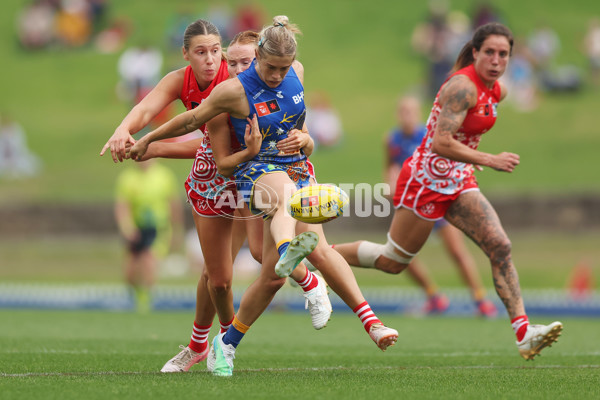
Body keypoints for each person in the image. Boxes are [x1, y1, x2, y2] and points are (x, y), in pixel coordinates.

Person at [128, 15, 399, 377]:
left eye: (282, 68)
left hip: (298, 166)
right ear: (258, 59)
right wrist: (147, 140)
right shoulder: (232, 91)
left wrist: (308, 140)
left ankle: (369, 324)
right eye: (270, 68)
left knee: (283, 269)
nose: (276, 75)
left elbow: (303, 128)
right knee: (273, 225)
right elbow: (193, 124)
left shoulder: (295, 71)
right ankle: (290, 255)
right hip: (259, 170)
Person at [101, 23, 331, 373]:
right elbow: (155, 115)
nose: (211, 60)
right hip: (214, 180)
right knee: (218, 278)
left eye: (215, 51)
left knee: (260, 253)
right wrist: (125, 130)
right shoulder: (181, 81)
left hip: (252, 174)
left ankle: (235, 336)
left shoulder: (241, 77)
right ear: (186, 54)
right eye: (200, 52)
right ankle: (207, 344)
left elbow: (288, 119)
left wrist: (156, 146)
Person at [334, 23, 562, 360]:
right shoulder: (461, 87)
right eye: (490, 53)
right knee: (392, 261)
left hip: (459, 182)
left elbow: (467, 133)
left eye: (504, 54)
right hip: (425, 182)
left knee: (500, 245)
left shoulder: (498, 90)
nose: (497, 60)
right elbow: (440, 141)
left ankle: (524, 333)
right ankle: (324, 255)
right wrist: (488, 158)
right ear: (475, 53)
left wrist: (471, 158)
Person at [342, 95, 498, 317]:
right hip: (412, 203)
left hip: (438, 201)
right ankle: (434, 297)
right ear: (398, 114)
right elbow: (390, 166)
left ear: (418, 114)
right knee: (398, 255)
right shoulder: (392, 139)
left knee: (456, 250)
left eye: (411, 112)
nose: (407, 116)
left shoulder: (431, 135)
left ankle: (481, 301)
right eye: (403, 111)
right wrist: (389, 184)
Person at [114, 159, 183, 312]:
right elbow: (122, 206)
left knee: (148, 260)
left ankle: (146, 302)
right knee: (130, 270)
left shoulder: (164, 176)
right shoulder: (127, 178)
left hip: (158, 227)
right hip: (136, 228)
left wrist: (176, 230)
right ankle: (134, 297)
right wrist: (127, 227)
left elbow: (173, 204)